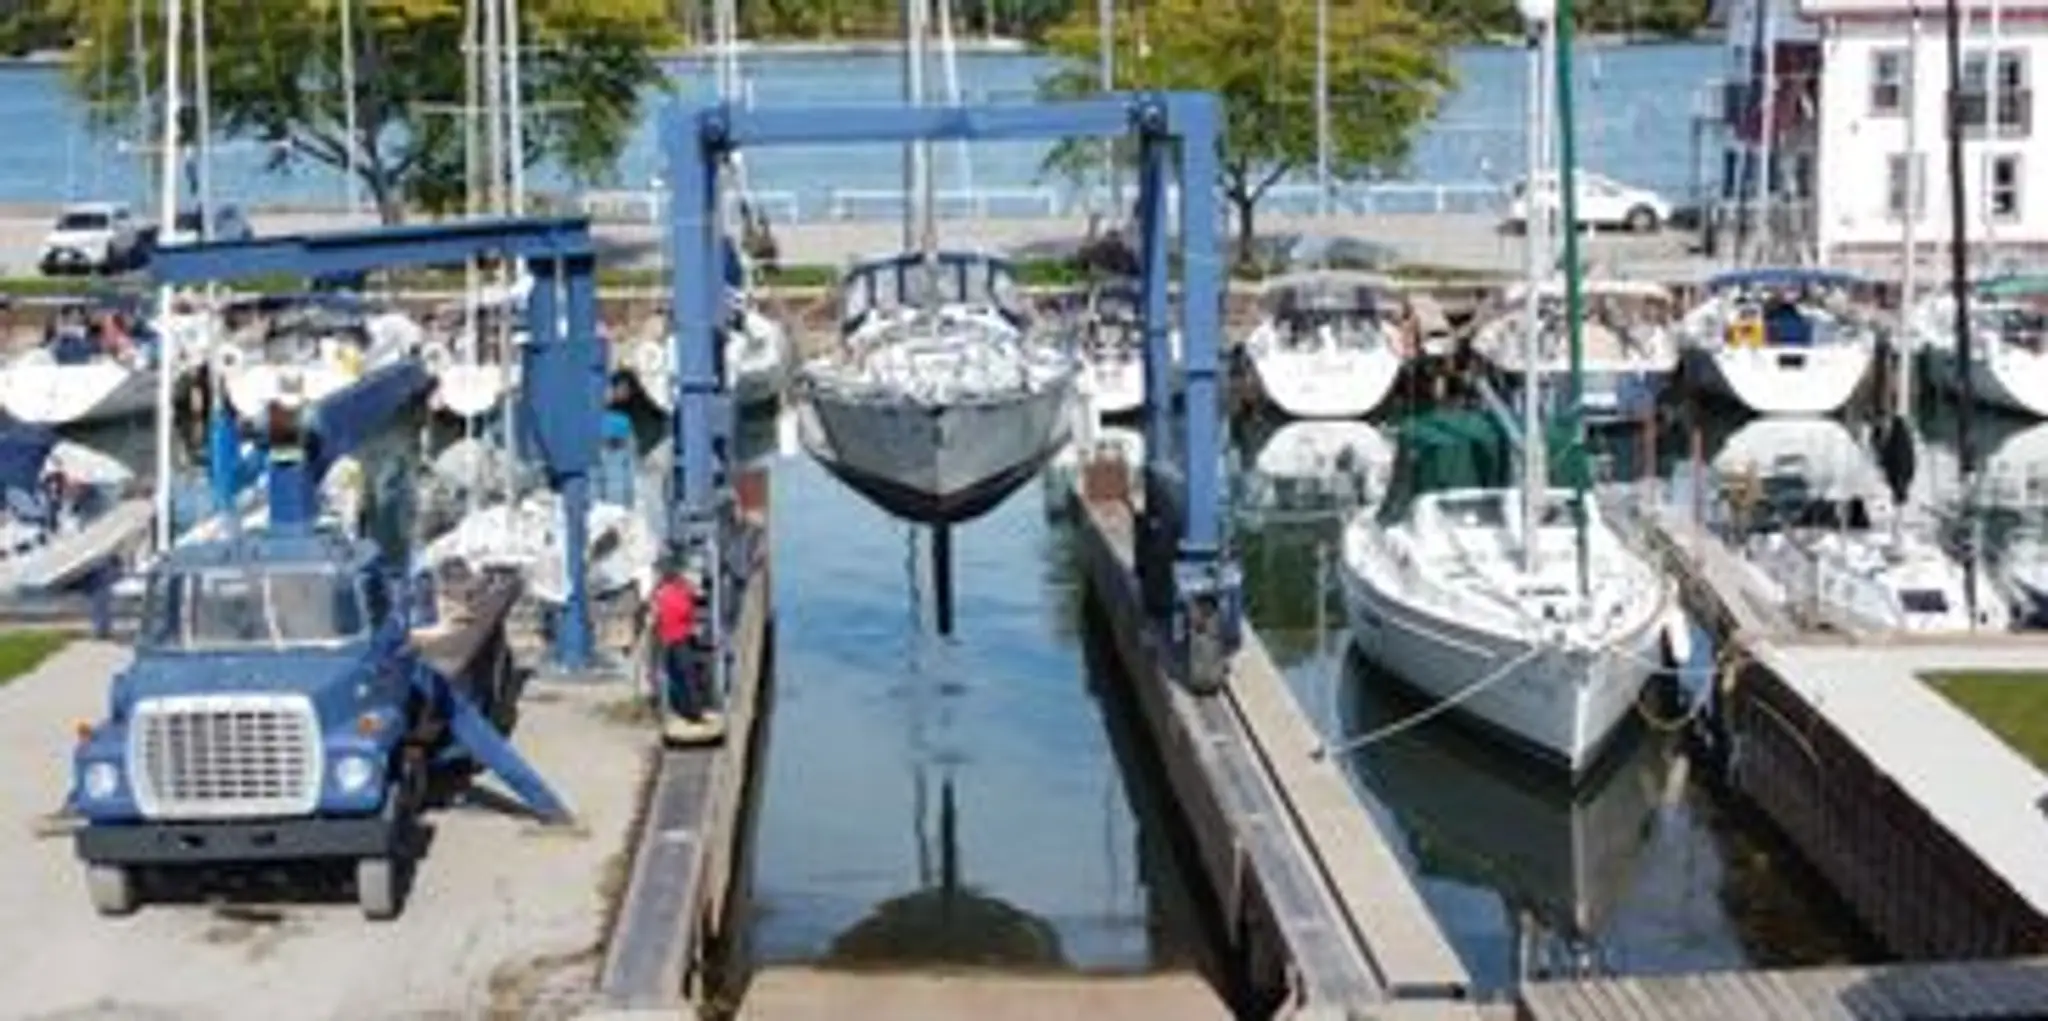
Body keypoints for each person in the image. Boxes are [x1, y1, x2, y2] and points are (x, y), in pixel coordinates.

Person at [652, 563, 712, 722]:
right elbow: (690, 607)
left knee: (674, 675)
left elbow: (657, 615)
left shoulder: (661, 593)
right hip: (681, 637)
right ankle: (693, 711)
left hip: (668, 638)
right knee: (687, 675)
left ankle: (681, 708)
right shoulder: (682, 589)